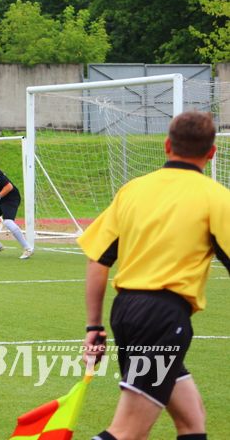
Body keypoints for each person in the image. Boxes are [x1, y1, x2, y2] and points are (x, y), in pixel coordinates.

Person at [80, 111, 229, 440]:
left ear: (166, 145)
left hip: (127, 313)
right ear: (212, 152)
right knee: (128, 431)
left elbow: (97, 259)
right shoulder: (216, 197)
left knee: (192, 420)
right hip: (162, 318)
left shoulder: (133, 190)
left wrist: (94, 326)